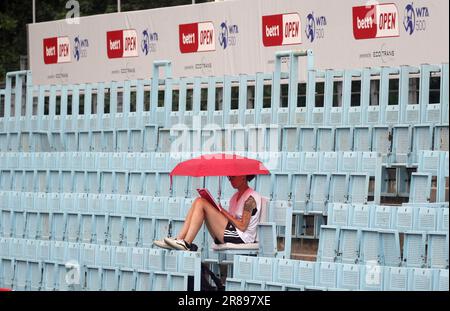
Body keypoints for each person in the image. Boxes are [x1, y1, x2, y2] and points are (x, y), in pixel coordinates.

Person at [154, 175, 262, 251]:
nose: (229, 179)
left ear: (243, 176)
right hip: (231, 233)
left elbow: (243, 226)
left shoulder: (251, 198)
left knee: (201, 202)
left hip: (242, 238)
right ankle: (179, 239)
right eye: (229, 178)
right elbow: (231, 221)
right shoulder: (234, 198)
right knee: (198, 200)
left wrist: (222, 211)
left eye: (232, 177)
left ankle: (186, 243)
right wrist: (217, 210)